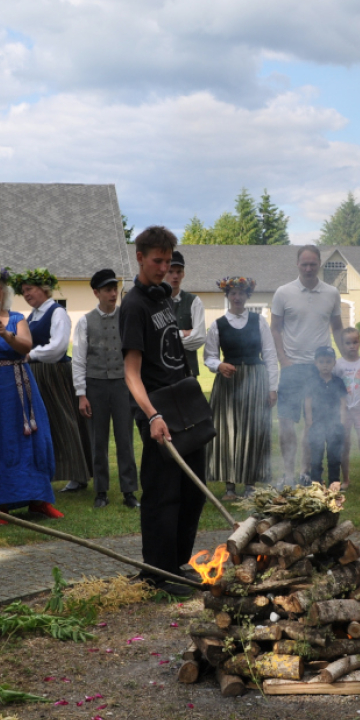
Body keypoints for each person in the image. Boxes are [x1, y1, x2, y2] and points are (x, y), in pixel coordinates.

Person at [121, 226, 205, 597]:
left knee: (194, 489)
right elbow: (131, 372)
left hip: (184, 403)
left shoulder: (164, 298)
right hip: (158, 410)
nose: (163, 268)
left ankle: (177, 562)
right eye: (157, 261)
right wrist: (152, 415)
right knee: (162, 493)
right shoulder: (134, 305)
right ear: (139, 257)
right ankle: (158, 573)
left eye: (168, 261)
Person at [0, 270, 61, 520]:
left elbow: (25, 346)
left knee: (31, 441)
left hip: (19, 389)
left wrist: (5, 333)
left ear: (5, 292)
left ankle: (39, 499)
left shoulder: (17, 318)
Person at [271, 246, 346, 486]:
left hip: (319, 369)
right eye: (304, 264)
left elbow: (337, 328)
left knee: (312, 423)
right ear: (297, 264)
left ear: (319, 264)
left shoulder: (332, 293)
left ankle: (305, 472)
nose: (309, 268)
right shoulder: (283, 293)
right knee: (286, 421)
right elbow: (275, 329)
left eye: (313, 264)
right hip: (292, 367)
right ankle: (288, 473)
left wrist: (344, 359)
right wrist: (283, 360)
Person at [203, 276, 278, 501]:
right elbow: (209, 357)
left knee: (253, 428)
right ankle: (229, 488)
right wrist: (219, 366)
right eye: (233, 293)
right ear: (228, 297)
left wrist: (272, 387)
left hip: (256, 379)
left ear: (247, 296)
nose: (237, 297)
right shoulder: (218, 324)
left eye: (241, 293)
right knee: (227, 431)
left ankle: (250, 485)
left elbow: (270, 354)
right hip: (228, 382)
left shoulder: (259, 321)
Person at [17, 270, 92, 494]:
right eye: (23, 292)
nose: (26, 294)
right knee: (41, 424)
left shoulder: (57, 312)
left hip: (55, 373)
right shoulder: (33, 315)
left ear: (43, 288)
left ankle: (78, 475)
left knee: (64, 421)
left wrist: (32, 355)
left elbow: (58, 347)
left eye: (29, 289)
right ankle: (46, 472)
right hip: (36, 375)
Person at [73, 269, 140, 510]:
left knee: (125, 439)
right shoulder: (85, 321)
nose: (113, 294)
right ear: (96, 293)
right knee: (97, 441)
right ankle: (100, 491)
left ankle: (129, 491)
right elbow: (79, 359)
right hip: (95, 385)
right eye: (108, 290)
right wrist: (81, 394)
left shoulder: (127, 316)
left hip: (123, 385)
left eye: (115, 289)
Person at [304, 346, 349, 486]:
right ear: (316, 363)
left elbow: (343, 402)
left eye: (328, 362)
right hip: (317, 423)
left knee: (334, 454)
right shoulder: (311, 381)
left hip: (334, 423)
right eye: (321, 362)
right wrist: (309, 420)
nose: (325, 365)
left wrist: (342, 420)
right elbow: (308, 401)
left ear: (334, 363)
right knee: (316, 454)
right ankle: (316, 481)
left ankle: (334, 482)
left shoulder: (338, 382)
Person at [334, 328, 360, 484]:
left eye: (355, 342)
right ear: (342, 344)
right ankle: (346, 479)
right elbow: (335, 387)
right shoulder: (338, 364)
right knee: (345, 445)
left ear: (359, 343)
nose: (351, 346)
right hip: (345, 411)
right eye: (347, 343)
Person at [166, 251, 207, 379]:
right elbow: (152, 340)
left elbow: (199, 337)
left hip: (188, 371)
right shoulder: (155, 302)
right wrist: (185, 333)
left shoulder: (194, 301)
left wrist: (168, 341)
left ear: (183, 274)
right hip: (162, 373)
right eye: (171, 271)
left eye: (179, 272)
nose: (175, 276)